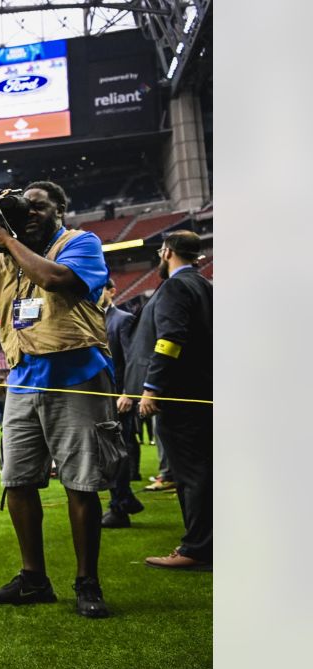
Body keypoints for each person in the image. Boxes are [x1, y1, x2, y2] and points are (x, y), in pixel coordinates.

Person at [0, 180, 119, 618]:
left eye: (38, 206)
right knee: (17, 480)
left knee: (81, 482)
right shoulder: (4, 258)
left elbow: (54, 279)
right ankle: (34, 578)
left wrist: (5, 239)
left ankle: (87, 580)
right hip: (23, 379)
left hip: (77, 376)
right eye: (22, 208)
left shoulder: (80, 243)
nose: (29, 212)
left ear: (60, 209)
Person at [122, 231, 213, 570]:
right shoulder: (204, 285)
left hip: (181, 395)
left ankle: (197, 549)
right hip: (201, 392)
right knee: (202, 469)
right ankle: (205, 543)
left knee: (192, 473)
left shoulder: (176, 286)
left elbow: (170, 340)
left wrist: (152, 387)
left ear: (167, 251)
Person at [99, 280, 144, 528]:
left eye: (101, 289)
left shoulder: (123, 319)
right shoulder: (89, 319)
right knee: (106, 456)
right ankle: (124, 500)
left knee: (118, 454)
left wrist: (128, 393)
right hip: (97, 399)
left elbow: (132, 359)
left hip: (119, 399)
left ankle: (120, 506)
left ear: (112, 291)